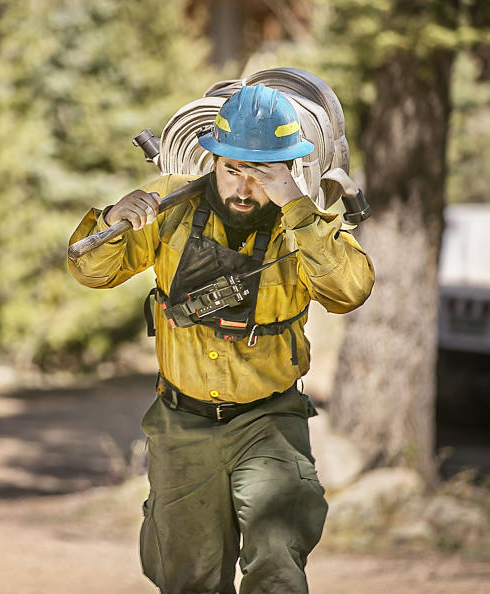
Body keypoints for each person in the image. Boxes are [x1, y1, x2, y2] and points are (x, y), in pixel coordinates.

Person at [67, 84, 374, 593]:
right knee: (187, 577)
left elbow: (350, 291)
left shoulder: (304, 222)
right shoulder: (169, 205)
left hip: (269, 420)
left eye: (262, 173)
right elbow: (90, 270)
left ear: (289, 168)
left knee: (277, 565)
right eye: (233, 169)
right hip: (181, 421)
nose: (244, 187)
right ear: (211, 158)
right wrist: (115, 220)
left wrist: (295, 203)